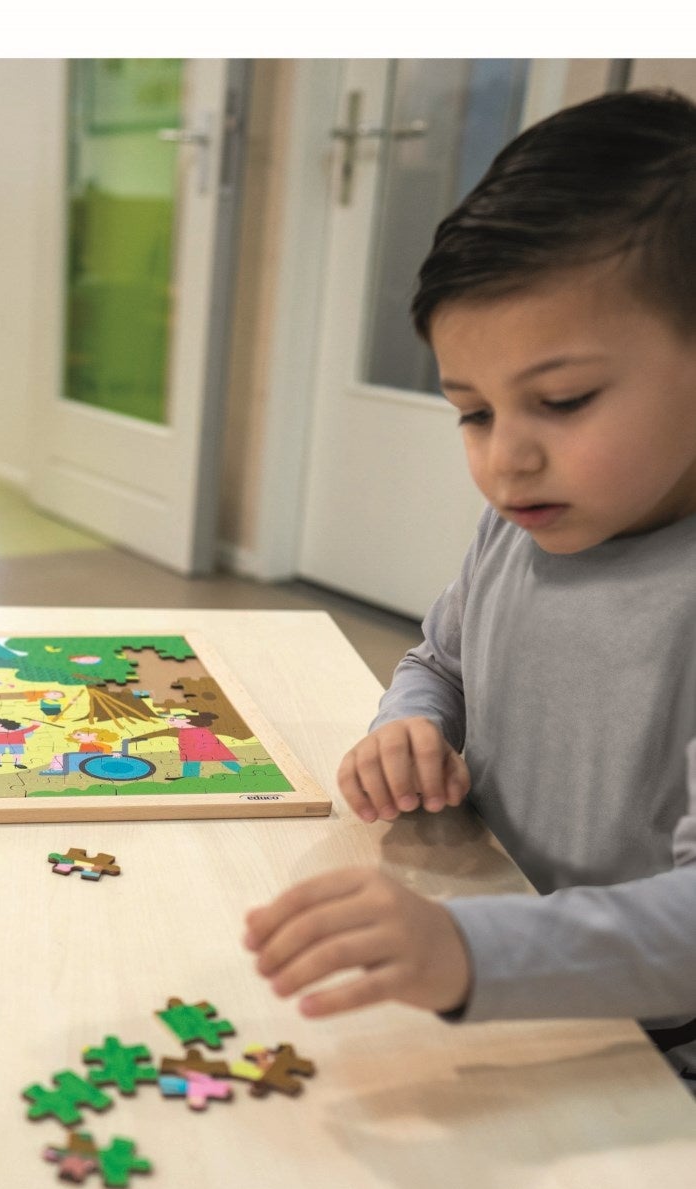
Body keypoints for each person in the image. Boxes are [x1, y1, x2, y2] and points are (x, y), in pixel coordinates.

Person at [242, 90, 696, 1086]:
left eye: (562, 401)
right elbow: (443, 656)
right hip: (498, 947)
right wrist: (413, 723)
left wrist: (471, 954)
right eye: (472, 412)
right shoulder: (524, 523)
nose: (506, 462)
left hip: (652, 1043)